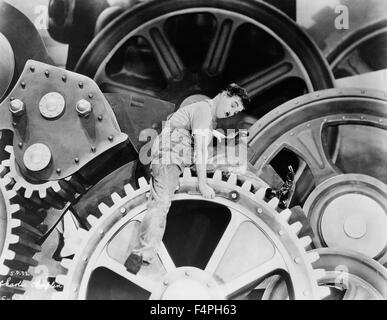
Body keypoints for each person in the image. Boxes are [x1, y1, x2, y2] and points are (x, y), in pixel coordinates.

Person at [125, 84, 250, 274]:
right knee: (161, 203)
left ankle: (268, 191)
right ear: (224, 94)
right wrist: (202, 183)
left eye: (236, 111)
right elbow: (199, 149)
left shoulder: (209, 119)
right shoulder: (203, 110)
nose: (231, 112)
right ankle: (140, 254)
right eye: (232, 105)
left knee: (234, 161)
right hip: (170, 158)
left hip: (181, 158)